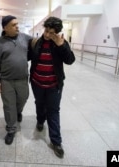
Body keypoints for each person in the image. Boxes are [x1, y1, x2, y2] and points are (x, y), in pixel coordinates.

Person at [28, 16, 75, 158]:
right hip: (37, 83)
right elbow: (27, 56)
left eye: (51, 33)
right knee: (39, 104)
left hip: (54, 85)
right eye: (46, 31)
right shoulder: (36, 42)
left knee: (53, 111)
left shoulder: (61, 43)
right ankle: (40, 120)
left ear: (57, 32)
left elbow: (70, 60)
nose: (48, 35)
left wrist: (61, 46)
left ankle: (56, 141)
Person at [0, 15, 33, 145]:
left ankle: (18, 111)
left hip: (22, 79)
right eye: (14, 25)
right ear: (5, 28)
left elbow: (37, 43)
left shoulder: (25, 37)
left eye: (17, 24)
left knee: (23, 98)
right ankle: (11, 129)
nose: (17, 27)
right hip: (6, 80)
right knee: (9, 106)